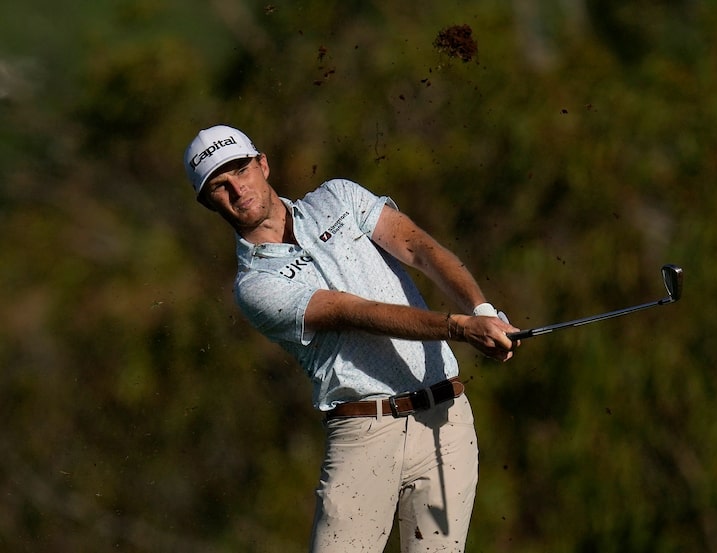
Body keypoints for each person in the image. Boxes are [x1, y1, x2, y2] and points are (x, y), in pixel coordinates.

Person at [183, 124, 520, 553]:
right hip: (364, 436)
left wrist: (482, 311)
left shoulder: (338, 198)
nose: (237, 188)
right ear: (208, 202)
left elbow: (418, 247)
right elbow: (355, 312)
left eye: (240, 169)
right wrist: (458, 328)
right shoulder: (255, 286)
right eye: (219, 185)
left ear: (262, 164)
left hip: (445, 427)